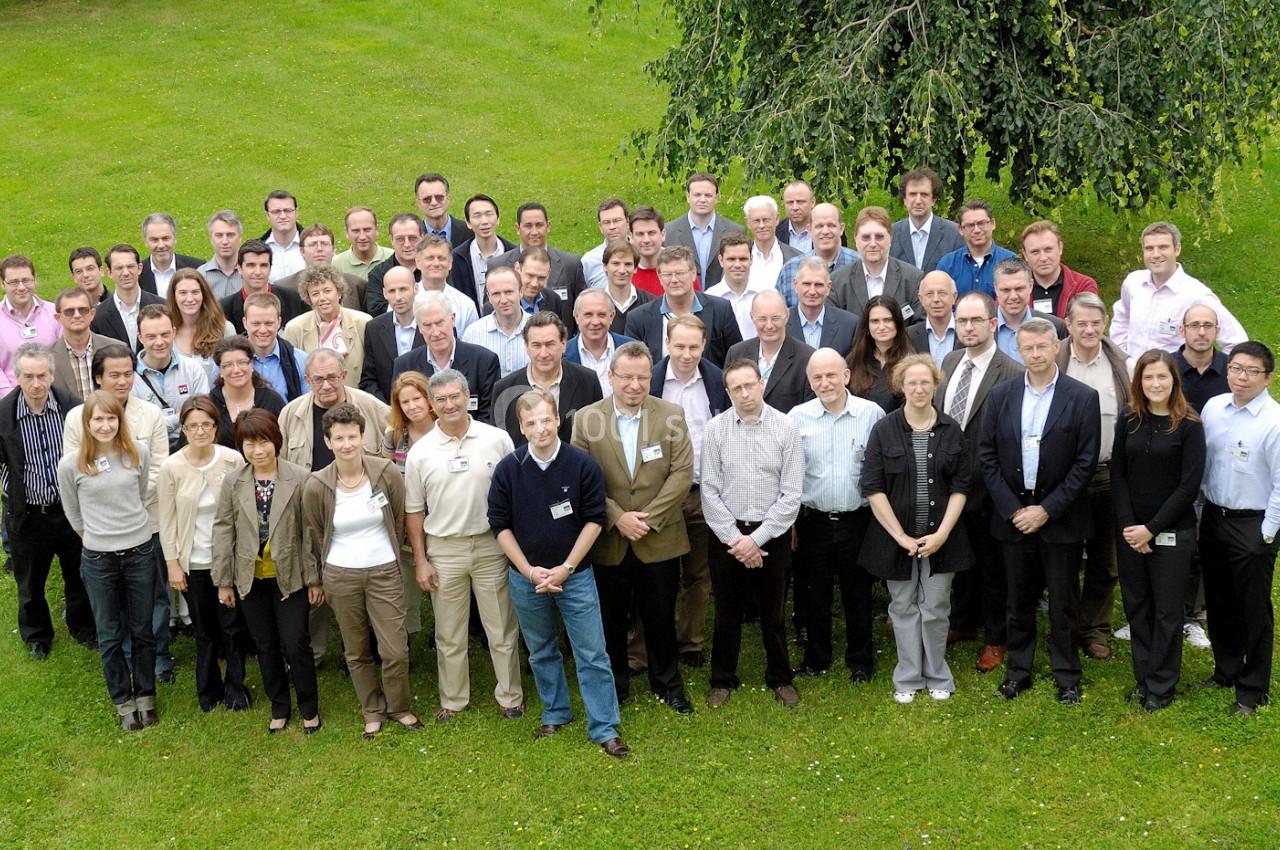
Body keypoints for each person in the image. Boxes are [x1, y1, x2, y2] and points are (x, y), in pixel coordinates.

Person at [488, 389, 631, 758]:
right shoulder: (508, 469)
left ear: (558, 420)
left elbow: (595, 520)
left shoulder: (582, 465)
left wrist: (565, 569)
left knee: (592, 652)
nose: (540, 428)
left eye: (546, 420)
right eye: (531, 422)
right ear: (521, 427)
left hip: (576, 575)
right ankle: (556, 711)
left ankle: (603, 726)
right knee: (540, 650)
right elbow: (499, 525)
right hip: (527, 579)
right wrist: (529, 570)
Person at [979, 318, 1100, 705]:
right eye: (1027, 348)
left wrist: (1045, 510)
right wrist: (1016, 510)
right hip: (1013, 514)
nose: (1034, 354)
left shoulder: (1082, 397)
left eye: (1041, 347)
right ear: (1019, 350)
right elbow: (988, 456)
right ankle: (1019, 671)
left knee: (1063, 602)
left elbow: (1085, 462)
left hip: (1059, 516)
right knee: (1018, 599)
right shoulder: (1001, 396)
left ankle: (1067, 676)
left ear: (1055, 347)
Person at [570, 342, 695, 713]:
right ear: (611, 377)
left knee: (660, 617)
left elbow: (682, 474)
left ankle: (668, 683)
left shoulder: (671, 414)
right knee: (610, 620)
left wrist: (649, 519)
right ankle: (617, 686)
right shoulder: (587, 419)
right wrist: (617, 517)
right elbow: (582, 479)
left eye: (643, 377)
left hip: (660, 537)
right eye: (627, 377)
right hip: (609, 539)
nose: (635, 385)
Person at [405, 369, 524, 723]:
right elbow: (414, 510)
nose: (448, 404)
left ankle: (510, 696)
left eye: (454, 396)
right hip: (444, 549)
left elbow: (515, 494)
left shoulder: (497, 439)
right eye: (440, 399)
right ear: (431, 404)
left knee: (501, 628)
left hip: (492, 545)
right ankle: (454, 699)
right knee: (449, 631)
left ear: (467, 395)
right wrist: (421, 561)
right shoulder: (420, 452)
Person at [302, 402, 422, 738]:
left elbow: (399, 518)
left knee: (395, 649)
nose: (346, 444)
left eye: (352, 436)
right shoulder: (317, 485)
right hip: (341, 575)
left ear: (362, 436)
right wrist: (316, 578)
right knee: (356, 650)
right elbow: (314, 533)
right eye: (338, 438)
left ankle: (399, 706)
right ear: (328, 441)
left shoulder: (385, 474)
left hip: (384, 569)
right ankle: (372, 709)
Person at [862, 354, 972, 702]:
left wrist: (941, 535)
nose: (919, 388)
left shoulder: (951, 429)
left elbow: (961, 487)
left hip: (943, 540)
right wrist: (900, 537)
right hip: (896, 539)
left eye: (926, 382)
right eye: (912, 382)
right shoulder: (884, 430)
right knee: (903, 607)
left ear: (935, 385)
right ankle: (908, 677)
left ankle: (937, 674)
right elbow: (873, 487)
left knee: (936, 606)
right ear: (901, 387)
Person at [62, 342, 173, 683]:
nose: (123, 381)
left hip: (144, 519)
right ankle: (125, 656)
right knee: (116, 603)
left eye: (128, 374)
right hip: (100, 530)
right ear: (98, 378)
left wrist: (130, 504)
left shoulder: (149, 414)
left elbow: (156, 468)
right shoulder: (78, 419)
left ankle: (158, 659)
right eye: (114, 375)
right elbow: (74, 475)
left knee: (153, 595)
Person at [701, 358, 804, 708]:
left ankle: (780, 676)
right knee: (726, 611)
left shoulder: (786, 428)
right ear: (727, 392)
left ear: (761, 384)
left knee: (773, 611)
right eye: (736, 388)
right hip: (727, 535)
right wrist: (736, 540)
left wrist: (756, 541)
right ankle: (722, 678)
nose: (744, 393)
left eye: (750, 385)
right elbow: (709, 492)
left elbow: (791, 495)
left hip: (770, 534)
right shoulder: (715, 429)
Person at [212, 409, 321, 734]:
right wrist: (224, 581)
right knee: (265, 646)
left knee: (296, 643)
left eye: (263, 442)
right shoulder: (234, 482)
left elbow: (310, 533)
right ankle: (279, 706)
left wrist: (314, 578)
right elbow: (223, 530)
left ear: (276, 440)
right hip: (251, 580)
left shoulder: (300, 478)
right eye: (249, 444)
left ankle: (309, 707)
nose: (258, 451)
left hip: (292, 577)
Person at [935, 292, 1025, 672]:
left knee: (992, 569)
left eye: (976, 321)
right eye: (962, 321)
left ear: (993, 324)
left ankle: (995, 637)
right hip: (951, 483)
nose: (968, 328)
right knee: (959, 562)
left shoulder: (1012, 372)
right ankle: (962, 623)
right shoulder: (951, 361)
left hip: (991, 487)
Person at [1111, 350, 1205, 711]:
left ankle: (1162, 685)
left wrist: (1151, 530)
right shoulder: (1129, 419)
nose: (1155, 384)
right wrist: (1130, 528)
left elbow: (1188, 487)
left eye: (1162, 377)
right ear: (1139, 382)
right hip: (1131, 532)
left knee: (1167, 611)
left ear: (1174, 381)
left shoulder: (1190, 425)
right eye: (1148, 378)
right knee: (1138, 607)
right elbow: (1118, 474)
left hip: (1171, 534)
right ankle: (1144, 677)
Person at [58, 390, 157, 731]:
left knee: (143, 629)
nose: (105, 425)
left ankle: (146, 696)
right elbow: (72, 511)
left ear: (120, 420)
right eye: (97, 419)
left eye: (111, 418)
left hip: (140, 552)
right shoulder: (72, 464)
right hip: (99, 558)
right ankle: (122, 700)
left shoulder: (136, 453)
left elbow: (141, 494)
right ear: (87, 424)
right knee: (110, 632)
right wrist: (94, 537)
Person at [788, 348, 884, 682]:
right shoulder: (796, 418)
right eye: (817, 377)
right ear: (810, 381)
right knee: (816, 593)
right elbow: (789, 473)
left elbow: (881, 468)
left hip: (857, 519)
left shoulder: (870, 414)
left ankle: (860, 661)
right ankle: (817, 658)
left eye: (832, 375)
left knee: (858, 594)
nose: (825, 382)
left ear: (846, 376)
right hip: (812, 518)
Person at [1198, 341, 1280, 716]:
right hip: (1215, 517)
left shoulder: (1274, 422)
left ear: (1268, 378)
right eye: (1235, 368)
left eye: (1251, 371)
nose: (1241, 377)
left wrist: (1267, 532)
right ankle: (1226, 669)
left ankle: (1252, 689)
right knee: (1218, 600)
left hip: (1254, 523)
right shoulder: (1215, 408)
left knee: (1253, 609)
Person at [0, 344, 96, 657]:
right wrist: (14, 488)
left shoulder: (73, 408)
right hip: (28, 514)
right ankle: (37, 636)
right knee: (30, 581)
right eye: (29, 376)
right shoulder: (4, 414)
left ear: (52, 375)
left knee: (78, 574)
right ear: (17, 378)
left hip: (70, 511)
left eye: (42, 375)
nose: (36, 383)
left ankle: (82, 626)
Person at [158, 396, 250, 713]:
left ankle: (237, 688)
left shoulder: (232, 460)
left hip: (229, 561)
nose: (200, 431)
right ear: (183, 429)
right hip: (194, 562)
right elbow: (166, 519)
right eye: (193, 425)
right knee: (204, 631)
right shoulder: (171, 467)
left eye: (207, 425)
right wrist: (172, 564)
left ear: (215, 427)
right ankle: (208, 690)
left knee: (233, 628)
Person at [648, 316, 729, 669]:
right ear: (667, 343)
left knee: (699, 574)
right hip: (659, 495)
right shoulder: (650, 381)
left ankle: (691, 643)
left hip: (702, 493)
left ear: (704, 344)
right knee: (658, 574)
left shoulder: (716, 380)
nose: (686, 354)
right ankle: (656, 642)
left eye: (693, 347)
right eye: (679, 346)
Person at [1058, 292, 1134, 660]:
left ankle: (1095, 630)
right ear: (1068, 324)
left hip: (1108, 474)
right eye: (1081, 323)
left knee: (1106, 559)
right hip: (1064, 477)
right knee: (1065, 557)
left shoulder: (1122, 365)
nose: (1089, 329)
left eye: (1095, 322)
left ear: (1104, 324)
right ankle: (1066, 625)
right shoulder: (1055, 360)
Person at [1170, 303, 1229, 649]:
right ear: (1183, 330)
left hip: (1216, 469)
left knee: (1201, 546)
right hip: (1171, 468)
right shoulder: (1168, 368)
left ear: (1217, 331)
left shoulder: (1229, 370)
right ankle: (1160, 611)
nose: (1202, 332)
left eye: (1208, 326)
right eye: (1195, 325)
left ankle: (1194, 617)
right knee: (1170, 541)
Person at [1110, 221, 1247, 357]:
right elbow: (1122, 317)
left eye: (1163, 247)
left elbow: (1236, 342)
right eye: (1149, 248)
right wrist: (1122, 357)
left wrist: (1215, 375)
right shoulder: (1133, 283)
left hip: (1171, 377)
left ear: (1177, 249)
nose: (1156, 254)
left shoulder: (1196, 295)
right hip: (1129, 374)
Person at [492, 311, 602, 445]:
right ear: (526, 346)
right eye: (536, 345)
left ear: (563, 344)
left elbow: (597, 435)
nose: (543, 353)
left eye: (550, 344)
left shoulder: (588, 381)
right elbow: (500, 443)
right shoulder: (504, 389)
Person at [391, 291, 501, 424]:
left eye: (439, 323)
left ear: (453, 319)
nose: (435, 332)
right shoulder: (405, 365)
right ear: (419, 327)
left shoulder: (484, 361)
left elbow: (489, 416)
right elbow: (401, 416)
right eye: (427, 325)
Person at [624, 246, 743, 368]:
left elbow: (738, 358)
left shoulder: (721, 310)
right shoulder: (638, 318)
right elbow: (631, 365)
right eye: (668, 274)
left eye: (680, 273)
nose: (674, 280)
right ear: (659, 277)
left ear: (693, 274)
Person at [383, 370, 436, 641]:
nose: (412, 406)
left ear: (429, 399)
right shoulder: (395, 436)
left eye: (417, 398)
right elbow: (384, 474)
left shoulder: (443, 430)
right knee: (407, 584)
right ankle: (408, 636)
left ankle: (445, 632)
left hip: (439, 519)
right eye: (405, 402)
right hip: (406, 522)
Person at [279, 349, 389, 472]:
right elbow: (280, 466)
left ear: (344, 376)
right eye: (318, 379)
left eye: (332, 377)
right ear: (307, 380)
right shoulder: (290, 414)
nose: (326, 386)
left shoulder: (373, 408)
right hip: (309, 490)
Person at [130, 304, 211, 450]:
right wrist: (180, 418)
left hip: (191, 449)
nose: (159, 342)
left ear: (174, 332)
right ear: (140, 337)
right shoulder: (130, 377)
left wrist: (157, 424)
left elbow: (202, 413)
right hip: (149, 452)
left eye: (165, 334)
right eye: (151, 337)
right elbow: (137, 426)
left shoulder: (192, 369)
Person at [724, 290, 815, 413]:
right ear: (752, 317)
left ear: (787, 316)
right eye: (762, 319)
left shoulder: (807, 358)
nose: (769, 326)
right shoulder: (736, 353)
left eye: (775, 318)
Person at [830, 206, 923, 323]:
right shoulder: (837, 282)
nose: (873, 243)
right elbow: (833, 327)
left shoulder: (913, 279)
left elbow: (920, 327)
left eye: (879, 237)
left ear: (890, 238)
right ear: (856, 240)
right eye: (866, 237)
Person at [282, 265, 372, 386]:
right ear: (309, 298)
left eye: (327, 291)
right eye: (315, 294)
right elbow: (292, 374)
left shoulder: (363, 322)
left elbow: (371, 369)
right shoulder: (295, 328)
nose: (322, 298)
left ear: (339, 292)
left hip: (356, 396)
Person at [488, 203, 587, 305]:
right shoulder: (497, 265)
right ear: (518, 228)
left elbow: (582, 308)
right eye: (528, 226)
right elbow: (490, 308)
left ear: (548, 226)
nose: (534, 232)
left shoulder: (571, 264)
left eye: (539, 225)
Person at [663, 172, 746, 288]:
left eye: (708, 195)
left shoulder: (735, 231)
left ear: (716, 198)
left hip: (722, 300)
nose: (702, 200)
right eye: (697, 195)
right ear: (688, 197)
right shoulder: (668, 232)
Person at [774, 203, 860, 308]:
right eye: (819, 226)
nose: (825, 231)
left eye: (831, 225)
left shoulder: (858, 264)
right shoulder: (791, 269)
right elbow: (779, 313)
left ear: (841, 228)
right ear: (809, 229)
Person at [359, 266, 424, 402]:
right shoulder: (374, 328)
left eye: (403, 289)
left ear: (415, 289)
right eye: (392, 291)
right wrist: (388, 410)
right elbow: (368, 379)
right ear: (384, 293)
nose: (398, 297)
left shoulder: (432, 323)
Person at [208, 336, 286, 449]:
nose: (236, 370)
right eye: (228, 365)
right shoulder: (210, 404)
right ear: (220, 370)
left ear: (252, 364)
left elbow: (285, 442)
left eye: (242, 362)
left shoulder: (272, 400)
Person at [1, 255, 62, 396]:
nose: (21, 287)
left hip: (54, 397)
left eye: (26, 280)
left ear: (35, 279)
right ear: (3, 284)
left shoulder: (55, 313)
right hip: (9, 402)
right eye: (14, 282)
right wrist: (13, 402)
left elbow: (63, 357)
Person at [274, 224, 369, 313]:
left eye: (324, 244)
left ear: (333, 250)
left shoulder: (357, 285)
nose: (319, 249)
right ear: (302, 252)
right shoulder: (282, 287)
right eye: (313, 244)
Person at [219, 240, 305, 335]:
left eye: (263, 265)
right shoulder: (224, 308)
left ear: (270, 268)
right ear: (239, 268)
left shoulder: (294, 298)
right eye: (251, 265)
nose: (258, 272)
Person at [935, 200, 1017, 297]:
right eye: (970, 225)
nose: (977, 230)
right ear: (961, 229)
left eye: (981, 223)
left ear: (993, 223)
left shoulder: (1012, 261)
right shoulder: (947, 265)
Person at [51, 287, 121, 402]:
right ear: (58, 318)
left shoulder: (116, 349)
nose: (77, 315)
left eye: (83, 310)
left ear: (92, 314)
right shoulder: (47, 357)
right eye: (69, 312)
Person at [91, 244, 165, 351]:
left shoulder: (162, 306)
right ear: (110, 273)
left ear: (139, 268)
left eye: (130, 266)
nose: (126, 273)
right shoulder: (98, 316)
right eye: (119, 268)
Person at [890, 167, 965, 273]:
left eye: (924, 195)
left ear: (933, 200)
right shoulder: (890, 235)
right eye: (913, 194)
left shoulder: (954, 235)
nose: (918, 201)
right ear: (905, 200)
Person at [1019, 221, 1099, 319]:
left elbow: (1086, 325)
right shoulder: (1013, 288)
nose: (1043, 258)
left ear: (1060, 248)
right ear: (1025, 255)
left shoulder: (1083, 285)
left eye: (1048, 250)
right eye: (1035, 252)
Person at [447, 194, 516, 306]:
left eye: (489, 214)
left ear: (498, 219)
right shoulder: (457, 257)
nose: (484, 221)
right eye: (477, 216)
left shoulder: (514, 254)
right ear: (468, 223)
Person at [993, 259, 1068, 363]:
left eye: (1019, 289)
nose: (1013, 296)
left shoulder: (1056, 326)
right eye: (1006, 290)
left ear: (1031, 286)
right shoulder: (982, 326)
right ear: (995, 289)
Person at [846, 295, 912, 413]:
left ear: (897, 323)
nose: (881, 327)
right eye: (875, 321)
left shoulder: (911, 362)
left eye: (888, 320)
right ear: (867, 326)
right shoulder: (854, 361)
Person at [239, 292, 309, 402]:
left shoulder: (301, 360)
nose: (262, 330)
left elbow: (307, 406)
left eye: (269, 323)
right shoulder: (227, 361)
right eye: (256, 324)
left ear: (279, 322)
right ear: (245, 323)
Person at [461, 265, 530, 375]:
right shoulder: (473, 334)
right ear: (489, 297)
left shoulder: (538, 329)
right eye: (496, 294)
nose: (503, 300)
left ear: (521, 292)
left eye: (508, 292)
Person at [564, 288, 634, 396]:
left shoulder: (632, 349)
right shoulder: (562, 354)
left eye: (601, 315)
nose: (595, 322)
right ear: (576, 316)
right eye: (588, 315)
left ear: (611, 316)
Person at [166, 268, 234, 377]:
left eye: (195, 292)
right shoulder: (165, 331)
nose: (190, 299)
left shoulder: (224, 329)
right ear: (174, 296)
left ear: (204, 294)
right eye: (183, 293)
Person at [784, 258, 858, 357]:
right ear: (796, 285)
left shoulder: (849, 325)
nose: (812, 291)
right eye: (807, 284)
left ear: (828, 287)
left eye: (818, 285)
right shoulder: (781, 323)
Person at [706, 231, 769, 340]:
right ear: (721, 260)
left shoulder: (767, 294)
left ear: (751, 260)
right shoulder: (710, 298)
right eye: (731, 259)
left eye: (743, 259)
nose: (737, 265)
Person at [415, 235, 480, 334]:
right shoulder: (405, 301)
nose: (436, 263)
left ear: (450, 263)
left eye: (441, 258)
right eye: (430, 258)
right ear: (418, 262)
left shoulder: (465, 305)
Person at [365, 212, 425, 316]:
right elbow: (375, 310)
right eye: (400, 239)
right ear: (391, 240)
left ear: (422, 238)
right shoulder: (378, 274)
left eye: (412, 238)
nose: (407, 244)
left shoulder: (434, 268)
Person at [743, 194, 800, 292]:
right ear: (748, 223)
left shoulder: (796, 258)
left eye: (766, 220)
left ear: (777, 219)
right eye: (756, 221)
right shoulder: (737, 258)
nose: (762, 225)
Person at [138, 212, 203, 298]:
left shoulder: (198, 268)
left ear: (175, 238)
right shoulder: (137, 274)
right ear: (145, 242)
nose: (161, 245)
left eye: (165, 238)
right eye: (154, 240)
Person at [599, 237, 654, 332]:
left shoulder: (651, 303)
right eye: (616, 264)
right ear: (605, 267)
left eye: (628, 264)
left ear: (635, 268)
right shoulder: (594, 304)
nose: (622, 270)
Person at [907, 271, 960, 361]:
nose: (936, 299)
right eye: (929, 294)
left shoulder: (968, 331)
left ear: (954, 297)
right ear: (921, 299)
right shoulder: (908, 336)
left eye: (942, 293)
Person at [580, 198, 631, 290]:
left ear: (628, 222)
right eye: (606, 222)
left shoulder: (643, 253)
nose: (612, 227)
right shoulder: (589, 261)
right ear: (600, 227)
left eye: (617, 221)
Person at [333, 206, 393, 282]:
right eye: (356, 231)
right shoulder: (336, 265)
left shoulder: (393, 258)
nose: (362, 237)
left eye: (367, 230)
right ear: (346, 233)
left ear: (377, 230)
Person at [414, 172, 472, 247]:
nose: (434, 202)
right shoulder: (413, 237)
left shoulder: (469, 232)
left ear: (449, 198)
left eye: (439, 197)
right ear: (418, 203)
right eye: (427, 199)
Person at [197, 210, 244, 299]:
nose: (225, 241)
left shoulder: (251, 273)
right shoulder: (201, 275)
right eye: (219, 235)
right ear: (211, 239)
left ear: (240, 237)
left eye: (230, 235)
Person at [262, 190, 304, 282]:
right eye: (276, 212)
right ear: (267, 215)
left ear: (296, 213)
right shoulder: (258, 249)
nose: (283, 216)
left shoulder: (314, 246)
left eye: (287, 210)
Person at [628, 205, 668, 296]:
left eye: (651, 233)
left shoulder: (681, 268)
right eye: (640, 234)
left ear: (663, 234)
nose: (646, 240)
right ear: (631, 237)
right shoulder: (625, 272)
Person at [777, 180, 816, 252]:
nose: (795, 207)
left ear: (812, 202)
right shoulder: (775, 232)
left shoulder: (828, 230)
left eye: (800, 202)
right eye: (790, 202)